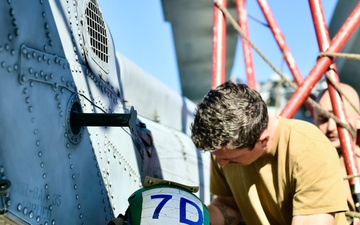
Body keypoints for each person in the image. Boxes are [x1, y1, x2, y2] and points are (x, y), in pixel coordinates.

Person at [191, 80, 348, 225]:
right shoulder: (223, 148)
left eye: (232, 160)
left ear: (263, 140)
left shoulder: (310, 148)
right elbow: (228, 205)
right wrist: (195, 220)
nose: (220, 164)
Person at [314, 82, 360, 213]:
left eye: (339, 117)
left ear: (358, 120)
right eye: (323, 119)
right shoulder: (302, 165)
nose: (331, 127)